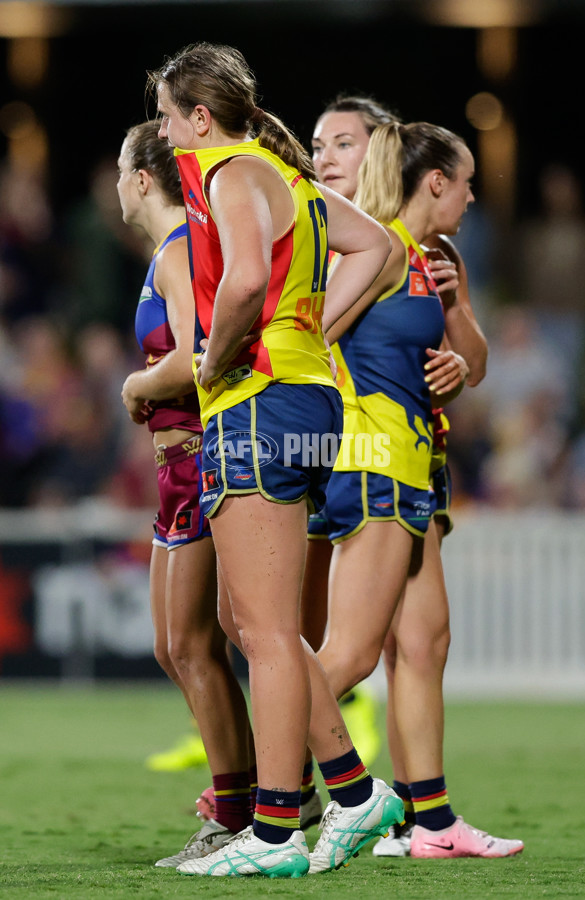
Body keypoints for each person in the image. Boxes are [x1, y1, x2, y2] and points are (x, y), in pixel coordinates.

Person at [146, 42, 404, 879]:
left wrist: (219, 361)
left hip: (258, 405)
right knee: (254, 627)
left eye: (166, 112)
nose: (162, 129)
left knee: (261, 633)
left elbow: (248, 281)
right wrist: (308, 339)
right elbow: (378, 251)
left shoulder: (231, 173)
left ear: (199, 115)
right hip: (301, 402)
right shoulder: (287, 176)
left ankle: (275, 834)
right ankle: (360, 797)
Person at [310, 98, 523, 859]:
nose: (474, 198)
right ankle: (258, 795)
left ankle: (429, 822)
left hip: (414, 470)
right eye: (467, 184)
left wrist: (457, 349)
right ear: (434, 180)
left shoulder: (427, 257)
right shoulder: (368, 249)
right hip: (371, 466)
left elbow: (470, 363)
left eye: (343, 143)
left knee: (426, 642)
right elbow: (310, 338)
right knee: (345, 656)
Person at [117, 120, 258, 866]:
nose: (114, 187)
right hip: (180, 469)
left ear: (142, 180)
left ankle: (243, 810)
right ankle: (249, 798)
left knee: (196, 644)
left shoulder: (177, 252)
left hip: (202, 459)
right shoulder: (166, 255)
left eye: (118, 172)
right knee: (180, 646)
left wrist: (137, 384)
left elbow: (197, 351)